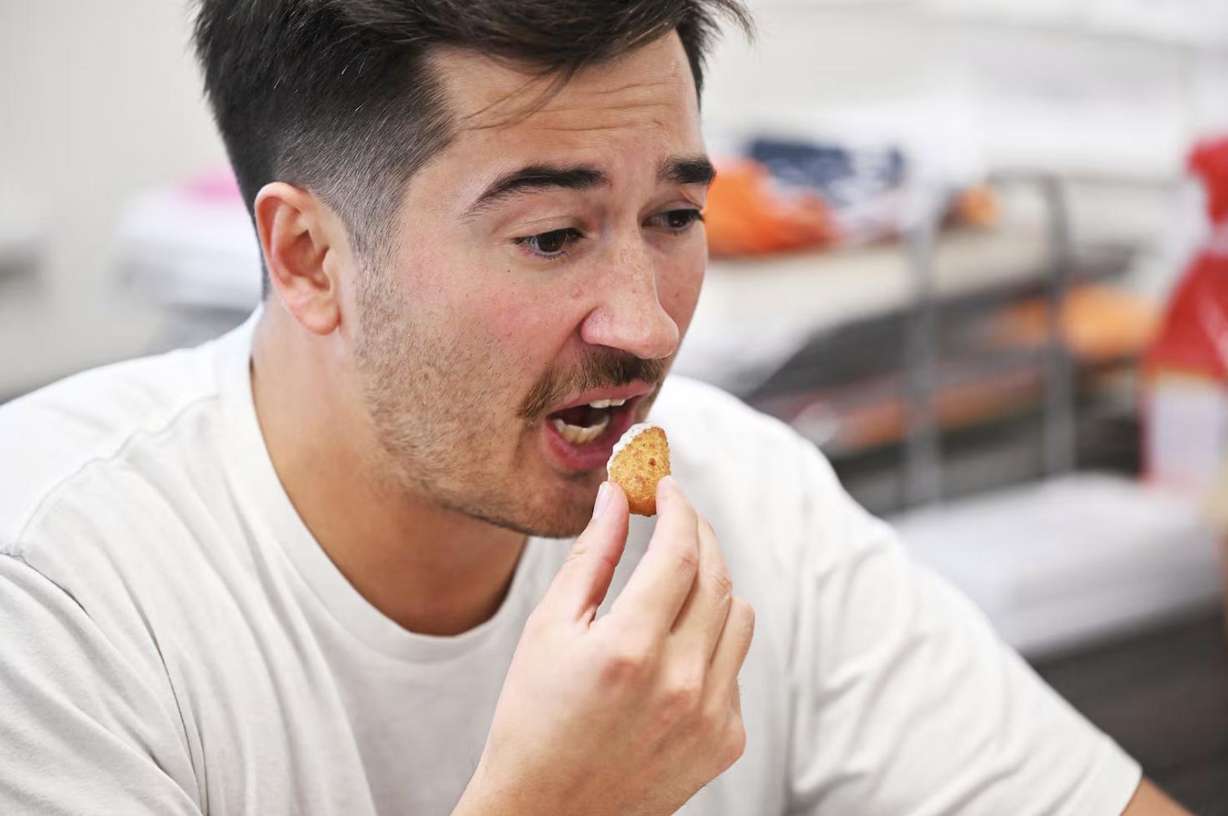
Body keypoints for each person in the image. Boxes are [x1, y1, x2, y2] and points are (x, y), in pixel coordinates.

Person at [0, 1, 1188, 813]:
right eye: (552, 235)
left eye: (672, 220)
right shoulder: (54, 589)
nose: (648, 323)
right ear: (308, 258)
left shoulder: (739, 493)